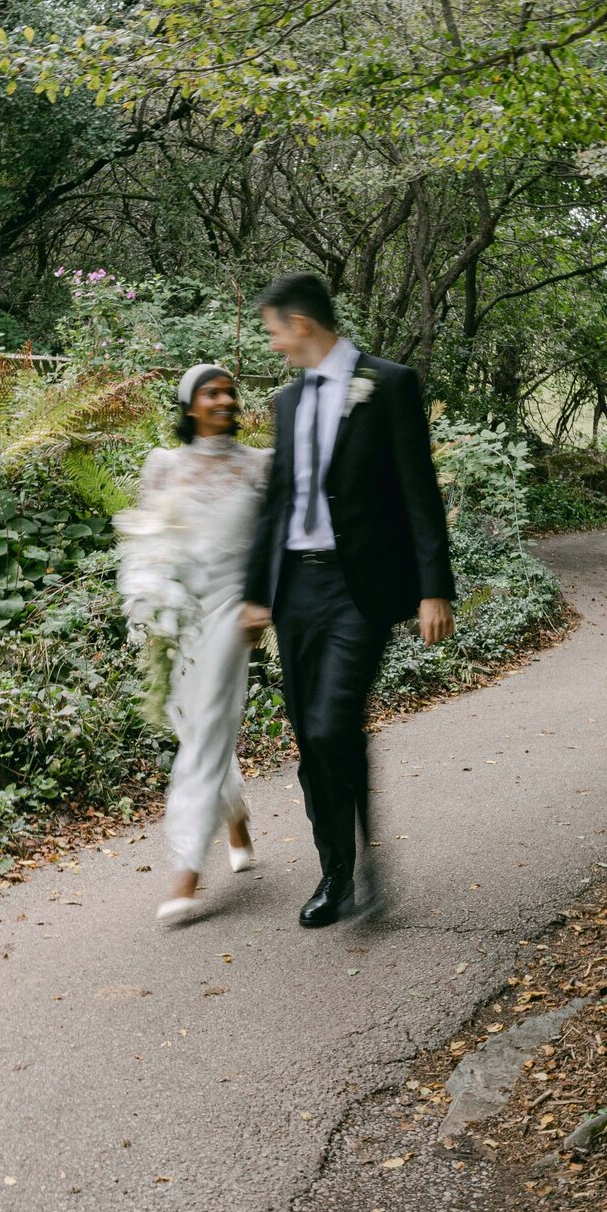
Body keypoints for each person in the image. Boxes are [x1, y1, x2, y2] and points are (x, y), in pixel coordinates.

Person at [242, 273, 455, 928]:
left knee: (336, 723)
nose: (273, 343)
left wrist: (433, 587)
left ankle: (363, 862)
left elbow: (419, 489)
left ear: (300, 324)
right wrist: (255, 597)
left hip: (357, 588)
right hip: (295, 590)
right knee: (311, 736)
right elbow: (275, 505)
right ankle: (336, 874)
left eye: (274, 330)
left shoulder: (388, 384)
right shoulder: (285, 403)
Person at [116, 364, 271, 925]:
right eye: (212, 392)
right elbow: (147, 544)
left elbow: (273, 543)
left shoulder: (260, 467)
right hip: (178, 616)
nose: (225, 399)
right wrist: (149, 602)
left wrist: (264, 599)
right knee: (192, 723)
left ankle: (186, 871)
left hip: (234, 610)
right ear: (189, 407)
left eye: (230, 391)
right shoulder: (162, 467)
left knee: (206, 726)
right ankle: (235, 818)